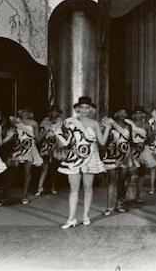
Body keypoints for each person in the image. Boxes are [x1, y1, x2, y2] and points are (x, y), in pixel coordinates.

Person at [55, 97, 111, 228]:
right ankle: (71, 219)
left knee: (87, 188)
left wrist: (107, 128)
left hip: (91, 157)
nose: (84, 110)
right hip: (74, 157)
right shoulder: (70, 122)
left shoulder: (94, 123)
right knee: (73, 189)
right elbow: (66, 142)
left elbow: (102, 142)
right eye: (82, 107)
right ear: (77, 109)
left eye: (87, 107)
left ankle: (86, 215)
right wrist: (57, 132)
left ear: (90, 109)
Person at [102, 109, 146, 215]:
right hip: (112, 155)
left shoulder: (129, 126)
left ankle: (119, 203)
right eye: (120, 112)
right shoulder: (109, 124)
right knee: (112, 181)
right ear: (115, 113)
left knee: (123, 181)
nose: (123, 114)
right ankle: (109, 206)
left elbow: (132, 140)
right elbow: (104, 141)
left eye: (125, 113)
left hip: (126, 156)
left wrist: (137, 147)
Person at [8, 109, 43, 205]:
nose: (26, 113)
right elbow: (12, 131)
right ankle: (5, 195)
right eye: (24, 111)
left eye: (28, 112)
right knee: (13, 172)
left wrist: (45, 131)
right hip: (19, 148)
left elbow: (38, 139)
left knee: (27, 172)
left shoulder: (34, 123)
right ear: (20, 112)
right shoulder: (16, 121)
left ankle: (24, 196)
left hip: (30, 149)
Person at [36, 105, 64, 197]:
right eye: (53, 111)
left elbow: (64, 134)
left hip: (57, 146)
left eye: (56, 111)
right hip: (47, 145)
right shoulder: (45, 121)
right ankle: (40, 187)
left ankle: (52, 187)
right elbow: (39, 137)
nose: (54, 113)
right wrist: (46, 130)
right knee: (45, 167)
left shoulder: (61, 122)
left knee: (54, 168)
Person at [130, 107, 156, 203]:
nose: (138, 115)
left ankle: (138, 194)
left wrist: (143, 143)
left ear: (143, 114)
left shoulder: (146, 126)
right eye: (136, 113)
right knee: (130, 171)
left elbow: (149, 139)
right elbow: (127, 137)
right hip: (132, 149)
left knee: (141, 172)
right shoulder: (130, 124)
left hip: (143, 150)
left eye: (140, 113)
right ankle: (126, 194)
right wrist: (135, 145)